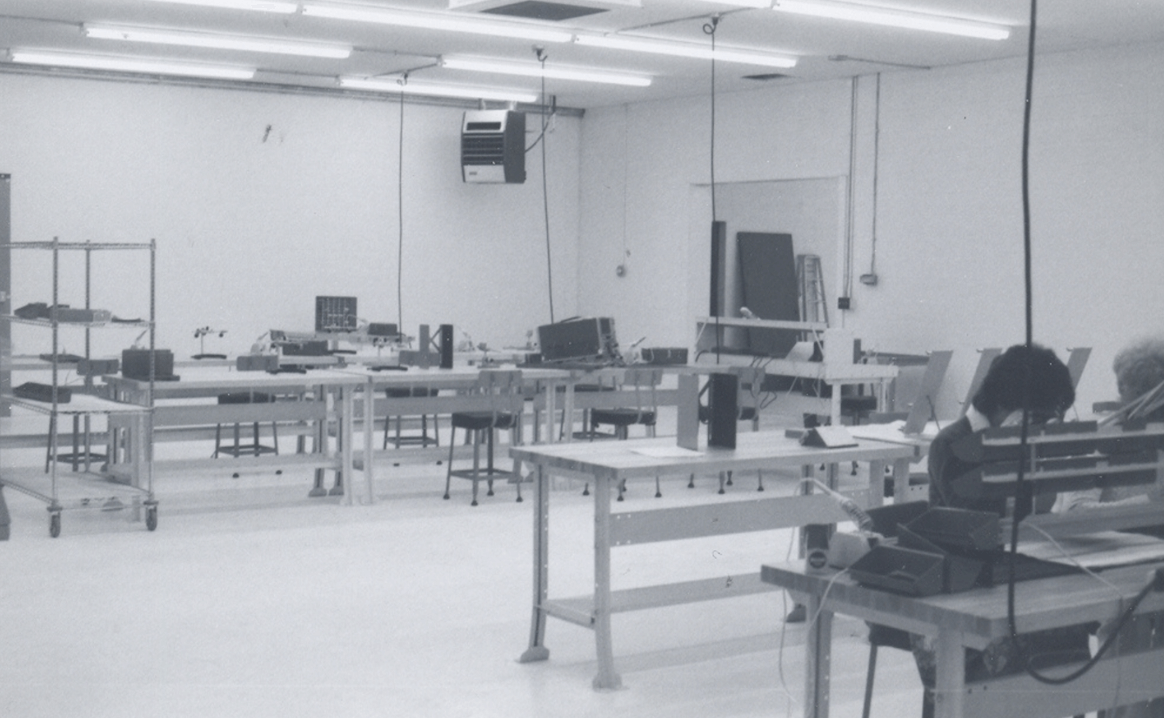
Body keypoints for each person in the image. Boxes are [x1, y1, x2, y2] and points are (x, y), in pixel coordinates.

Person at [912, 343, 1089, 718]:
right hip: (960, 599)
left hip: (1012, 584)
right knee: (1041, 645)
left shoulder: (1027, 441)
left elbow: (1035, 520)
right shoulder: (952, 444)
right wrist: (1010, 451)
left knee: (1071, 635)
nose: (1045, 427)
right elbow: (981, 527)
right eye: (1040, 417)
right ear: (1008, 407)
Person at [1056, 335, 1164, 718]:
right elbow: (1074, 513)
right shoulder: (1104, 436)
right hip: (1115, 572)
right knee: (1129, 661)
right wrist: (1149, 504)